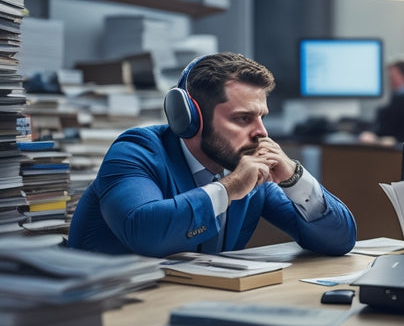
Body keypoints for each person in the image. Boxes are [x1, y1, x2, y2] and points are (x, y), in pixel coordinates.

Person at [68, 52, 356, 258]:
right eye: (243, 119)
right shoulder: (136, 151)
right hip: (103, 316)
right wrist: (229, 189)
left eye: (261, 117)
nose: (262, 133)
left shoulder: (247, 168)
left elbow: (339, 241)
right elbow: (145, 233)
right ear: (190, 118)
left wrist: (294, 178)